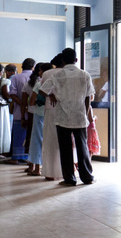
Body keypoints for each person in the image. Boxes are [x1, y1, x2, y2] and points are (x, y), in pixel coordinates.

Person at [39, 48, 95, 186]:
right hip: (79, 116)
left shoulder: (57, 75)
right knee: (82, 148)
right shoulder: (84, 74)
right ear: (76, 60)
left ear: (63, 60)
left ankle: (70, 179)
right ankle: (87, 177)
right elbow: (88, 96)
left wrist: (51, 95)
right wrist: (85, 112)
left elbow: (41, 90)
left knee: (65, 149)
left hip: (62, 116)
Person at [39, 54, 65, 181]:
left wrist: (50, 94)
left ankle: (49, 172)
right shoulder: (68, 73)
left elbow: (42, 90)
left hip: (50, 109)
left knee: (49, 141)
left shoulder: (47, 73)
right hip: (66, 109)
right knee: (64, 141)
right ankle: (64, 171)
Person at [25, 62, 52, 176]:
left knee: (36, 140)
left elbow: (31, 102)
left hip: (38, 114)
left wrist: (38, 102)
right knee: (48, 140)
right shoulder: (53, 83)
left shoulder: (38, 84)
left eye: (40, 70)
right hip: (50, 114)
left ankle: (36, 168)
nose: (39, 72)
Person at [5, 58, 34, 164]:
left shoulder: (16, 77)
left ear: (22, 67)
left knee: (19, 134)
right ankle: (30, 157)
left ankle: (16, 157)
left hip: (18, 110)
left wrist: (22, 103)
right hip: (34, 111)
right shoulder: (36, 77)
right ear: (33, 67)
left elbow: (12, 94)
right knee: (31, 134)